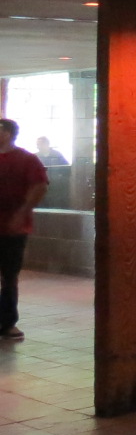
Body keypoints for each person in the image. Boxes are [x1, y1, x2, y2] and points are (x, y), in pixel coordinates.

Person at [0, 119, 50, 341]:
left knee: (9, 275)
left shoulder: (26, 159)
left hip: (13, 227)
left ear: (9, 134)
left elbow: (39, 186)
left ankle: (7, 322)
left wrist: (21, 213)